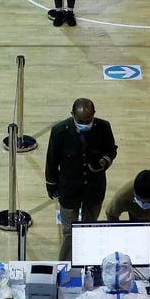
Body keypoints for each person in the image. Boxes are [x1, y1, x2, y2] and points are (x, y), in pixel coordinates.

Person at [45, 98, 118, 261]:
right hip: (69, 190)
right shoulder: (59, 131)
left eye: (88, 120)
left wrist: (104, 161)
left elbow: (111, 150)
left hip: (94, 190)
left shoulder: (103, 127)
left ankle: (87, 261)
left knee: (88, 229)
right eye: (80, 121)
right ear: (72, 115)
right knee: (69, 233)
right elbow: (52, 160)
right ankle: (64, 265)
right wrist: (52, 185)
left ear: (94, 115)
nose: (85, 123)